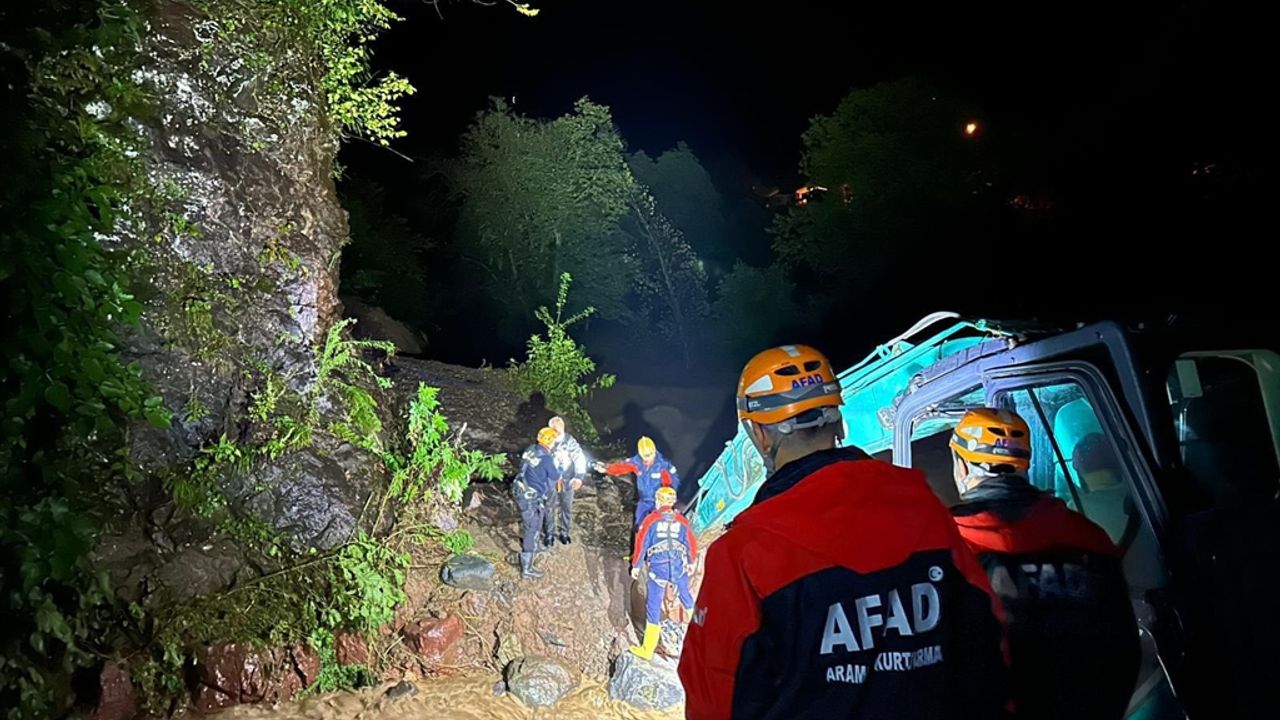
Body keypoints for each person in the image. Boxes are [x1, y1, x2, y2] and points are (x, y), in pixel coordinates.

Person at [678, 344, 1009, 720]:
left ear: (759, 434)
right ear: (838, 420)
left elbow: (714, 696)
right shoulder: (926, 511)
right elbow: (985, 642)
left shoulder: (744, 553)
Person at [949, 408, 1140, 720]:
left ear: (962, 465)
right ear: (1023, 463)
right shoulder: (1088, 536)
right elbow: (1125, 647)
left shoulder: (949, 547)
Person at [630, 486, 697, 660]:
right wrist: (691, 562)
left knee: (653, 606)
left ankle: (647, 649)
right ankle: (700, 634)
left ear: (658, 501)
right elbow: (690, 542)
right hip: (678, 566)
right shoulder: (682, 520)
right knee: (687, 599)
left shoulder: (651, 520)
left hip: (658, 568)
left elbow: (641, 543)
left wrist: (636, 565)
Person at [594, 436, 681, 527]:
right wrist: (606, 469)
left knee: (657, 524)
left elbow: (671, 485)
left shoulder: (663, 466)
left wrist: (667, 502)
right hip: (644, 500)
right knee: (640, 523)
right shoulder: (637, 462)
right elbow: (622, 467)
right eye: (645, 456)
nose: (648, 459)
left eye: (650, 455)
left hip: (659, 502)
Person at [513, 427, 561, 579]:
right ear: (550, 441)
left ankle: (535, 546)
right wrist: (559, 464)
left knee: (537, 521)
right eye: (554, 441)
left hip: (523, 490)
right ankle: (527, 568)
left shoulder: (531, 449)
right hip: (529, 497)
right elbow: (555, 475)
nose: (555, 443)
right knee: (531, 527)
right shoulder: (547, 459)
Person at [544, 416, 587, 545]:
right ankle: (549, 535)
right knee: (549, 507)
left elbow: (579, 457)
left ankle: (564, 533)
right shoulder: (546, 439)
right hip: (550, 479)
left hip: (567, 478)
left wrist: (579, 477)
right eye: (553, 429)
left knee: (566, 507)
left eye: (558, 429)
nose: (556, 432)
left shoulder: (569, 441)